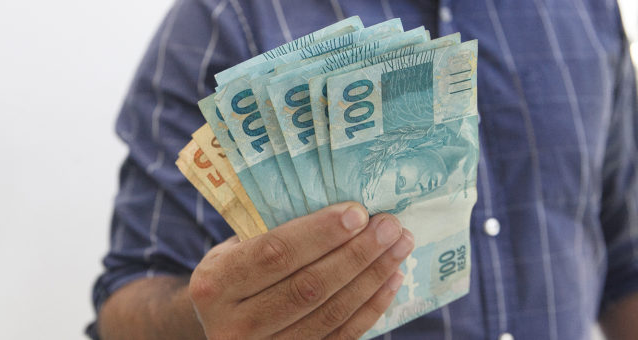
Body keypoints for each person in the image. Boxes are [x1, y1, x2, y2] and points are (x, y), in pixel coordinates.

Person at [87, 1, 638, 339]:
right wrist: (212, 323)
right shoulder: (221, 18)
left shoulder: (586, 8)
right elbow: (127, 300)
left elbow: (626, 257)